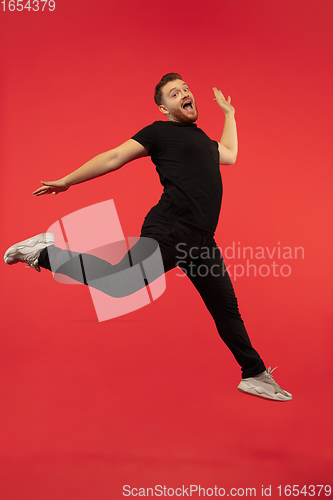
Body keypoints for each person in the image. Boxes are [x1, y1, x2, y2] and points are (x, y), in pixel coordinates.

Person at [4, 73, 292, 401]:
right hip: (171, 229)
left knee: (227, 309)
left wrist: (230, 114)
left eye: (185, 88)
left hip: (201, 242)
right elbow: (114, 157)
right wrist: (68, 180)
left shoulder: (203, 142)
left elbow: (230, 153)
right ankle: (42, 251)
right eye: (174, 92)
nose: (184, 93)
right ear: (163, 108)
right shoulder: (159, 133)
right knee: (120, 285)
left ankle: (254, 374)